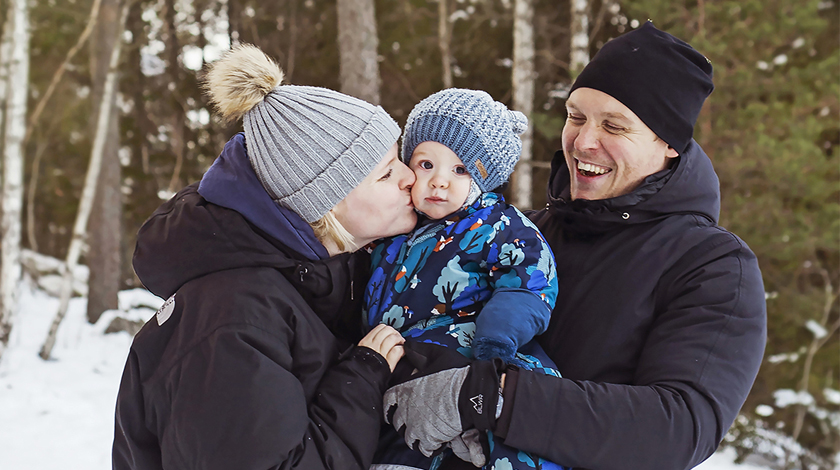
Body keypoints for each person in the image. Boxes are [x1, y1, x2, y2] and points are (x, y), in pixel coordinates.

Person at [380, 21, 767, 470]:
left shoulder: (713, 265)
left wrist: (486, 397)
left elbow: (678, 427)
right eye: (576, 116)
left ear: (669, 145)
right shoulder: (522, 231)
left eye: (614, 127)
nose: (582, 141)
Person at [112, 44, 417, 470]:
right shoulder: (230, 318)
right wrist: (361, 380)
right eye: (386, 172)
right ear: (323, 205)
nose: (409, 177)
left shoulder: (319, 277)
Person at [364, 89, 564, 470]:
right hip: (400, 372)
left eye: (460, 170)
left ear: (484, 180)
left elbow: (529, 280)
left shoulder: (497, 225)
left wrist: (496, 341)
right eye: (426, 165)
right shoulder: (394, 226)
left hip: (471, 359)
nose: (439, 182)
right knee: (399, 446)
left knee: (504, 445)